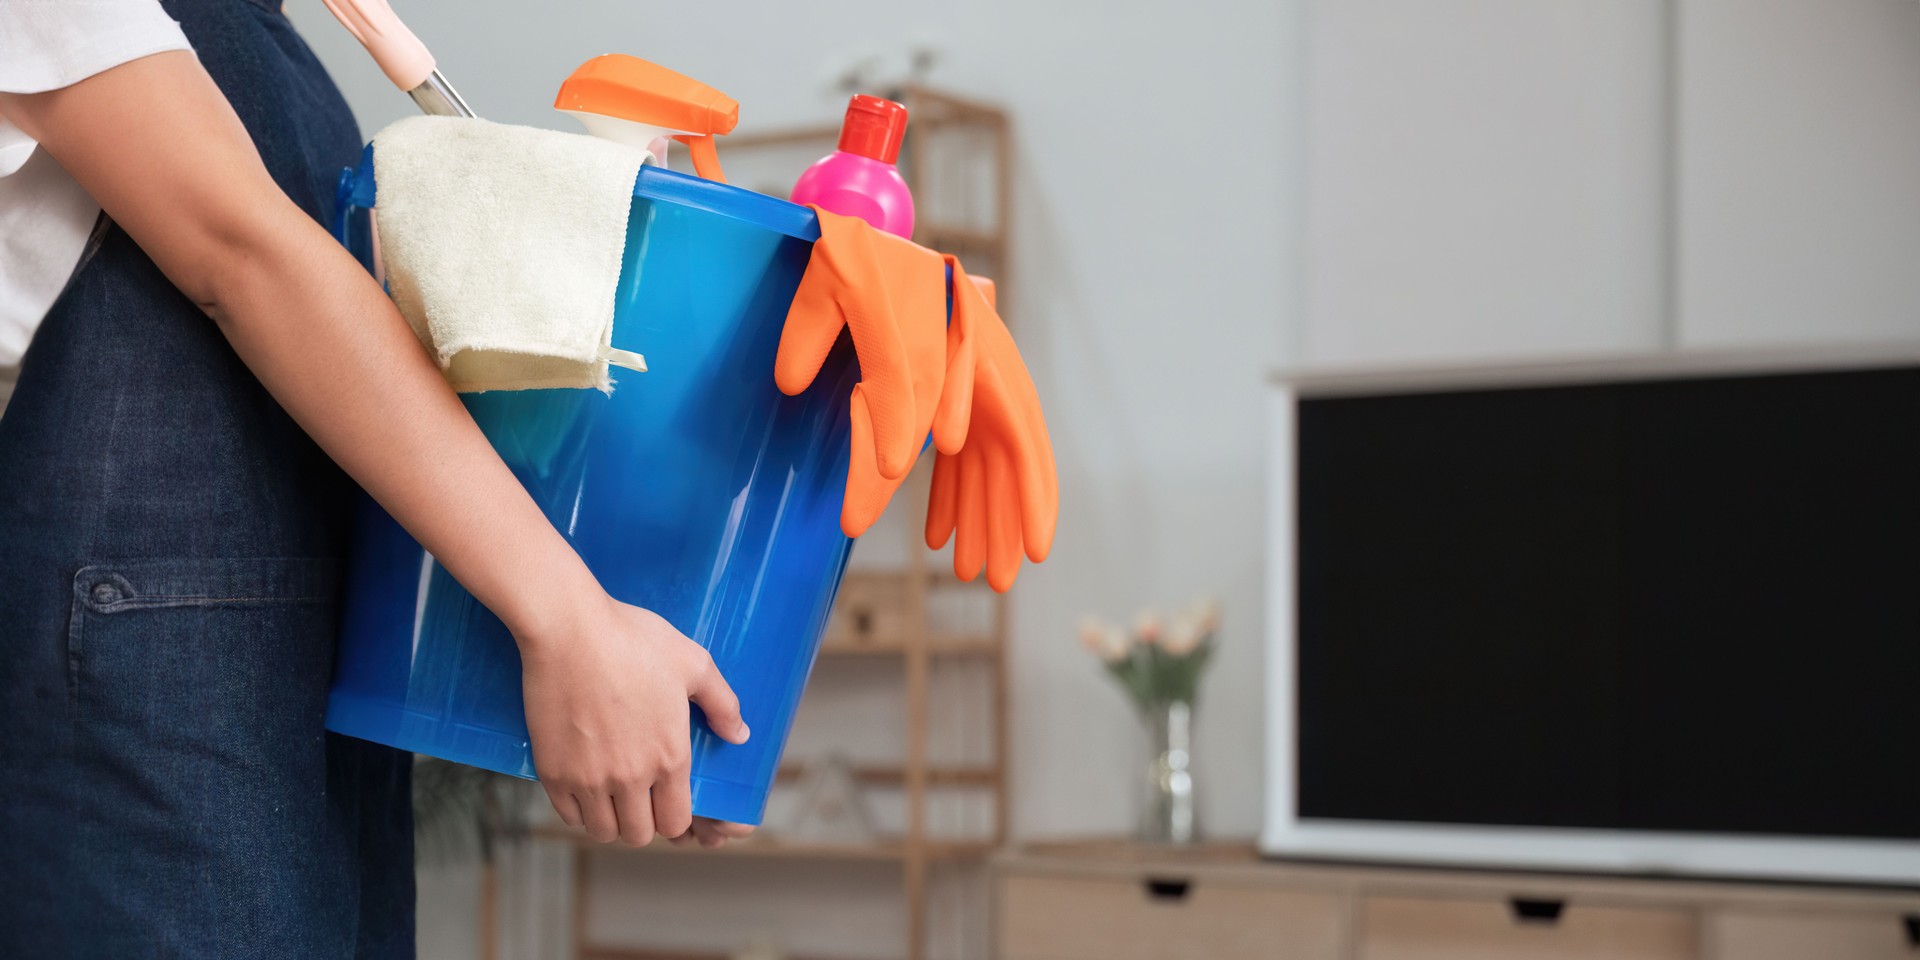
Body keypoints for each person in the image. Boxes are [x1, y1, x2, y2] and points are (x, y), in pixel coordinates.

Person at [0, 1, 753, 955]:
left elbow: (363, 393)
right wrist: (567, 618)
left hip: (314, 688)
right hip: (140, 698)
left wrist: (621, 685)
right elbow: (245, 253)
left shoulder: (287, 53)